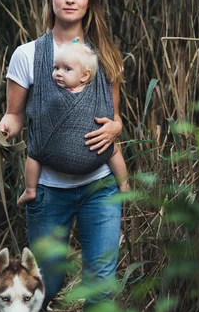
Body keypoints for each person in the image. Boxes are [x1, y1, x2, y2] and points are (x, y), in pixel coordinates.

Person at [0, 0, 124, 312]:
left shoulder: (103, 54)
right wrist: (2, 132)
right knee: (50, 278)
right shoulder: (28, 55)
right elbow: (15, 117)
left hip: (100, 185)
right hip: (48, 191)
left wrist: (117, 129)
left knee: (101, 283)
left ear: (89, 1)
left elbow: (113, 114)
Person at [17, 41, 129, 207]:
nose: (59, 74)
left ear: (84, 76)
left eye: (67, 69)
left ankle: (124, 184)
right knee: (34, 154)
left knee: (114, 152)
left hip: (99, 163)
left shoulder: (93, 90)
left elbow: (114, 114)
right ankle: (30, 189)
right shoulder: (51, 89)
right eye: (56, 68)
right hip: (48, 162)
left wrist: (115, 125)